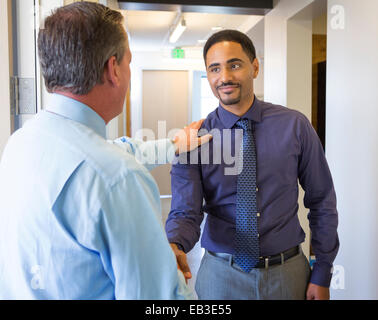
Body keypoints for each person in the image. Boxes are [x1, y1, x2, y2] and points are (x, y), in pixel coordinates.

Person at [0, 2, 211, 300]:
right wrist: (166, 269)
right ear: (113, 69)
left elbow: (111, 152)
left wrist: (175, 144)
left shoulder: (20, 144)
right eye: (128, 63)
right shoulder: (119, 178)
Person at [165, 30, 339, 300]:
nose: (224, 77)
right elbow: (185, 212)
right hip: (221, 279)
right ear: (208, 75)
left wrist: (323, 271)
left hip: (288, 274)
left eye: (234, 65)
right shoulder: (193, 140)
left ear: (254, 67)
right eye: (214, 69)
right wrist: (174, 244)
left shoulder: (294, 125)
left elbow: (322, 200)